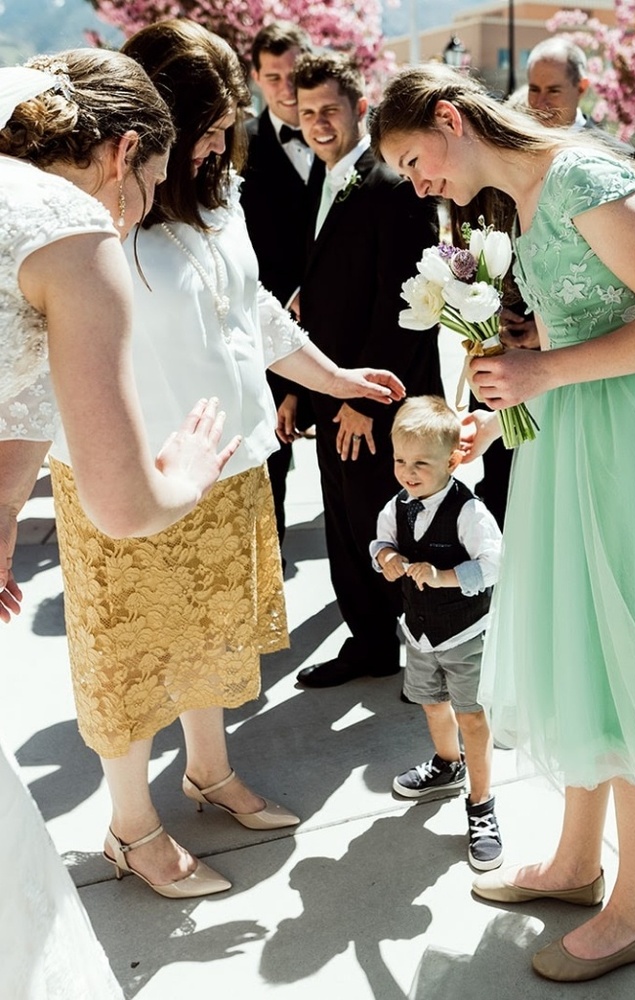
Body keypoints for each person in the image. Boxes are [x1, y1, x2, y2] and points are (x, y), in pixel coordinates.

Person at [371, 64, 635, 983]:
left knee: (628, 652)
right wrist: (517, 379)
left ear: (449, 119)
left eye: (412, 159)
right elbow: (581, 322)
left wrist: (546, 374)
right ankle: (575, 865)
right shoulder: (521, 200)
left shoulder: (582, 177)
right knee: (591, 655)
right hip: (576, 439)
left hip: (629, 449)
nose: (417, 182)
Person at [46, 19, 405, 901]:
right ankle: (132, 825)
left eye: (221, 132)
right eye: (204, 131)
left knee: (212, 637)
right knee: (129, 655)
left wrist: (338, 377)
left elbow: (256, 318)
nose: (215, 148)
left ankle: (208, 771)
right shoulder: (90, 218)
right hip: (125, 471)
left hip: (230, 463)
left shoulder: (220, 193)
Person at [0, 51, 240, 999]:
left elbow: (17, 400)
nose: (142, 205)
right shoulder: (72, 228)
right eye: (150, 181)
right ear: (125, 153)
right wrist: (177, 477)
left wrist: (5, 516)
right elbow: (122, 506)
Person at [291, 52, 443, 689]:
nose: (318, 123)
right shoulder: (318, 181)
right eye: (305, 114)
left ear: (358, 108)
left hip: (380, 399)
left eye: (329, 109)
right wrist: (301, 393)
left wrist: (365, 400)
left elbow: (407, 303)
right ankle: (370, 646)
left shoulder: (389, 184)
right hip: (330, 393)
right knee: (347, 526)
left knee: (390, 527)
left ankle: (428, 661)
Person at [372, 396, 503, 870]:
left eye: (421, 463)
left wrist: (445, 576)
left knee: (472, 716)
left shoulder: (468, 511)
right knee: (432, 704)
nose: (408, 472)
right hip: (421, 634)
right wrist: (386, 559)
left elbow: (493, 563)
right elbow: (381, 541)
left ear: (452, 461)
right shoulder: (398, 507)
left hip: (464, 633)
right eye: (400, 461)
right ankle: (448, 764)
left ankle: (482, 802)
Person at [241, 21, 325, 551]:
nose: (286, 87)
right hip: (267, 321)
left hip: (341, 322)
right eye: (273, 77)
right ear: (255, 76)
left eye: (293, 73)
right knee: (271, 455)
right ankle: (266, 573)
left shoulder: (338, 137)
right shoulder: (239, 146)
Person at [526, 37, 634, 156]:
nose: (541, 103)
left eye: (553, 91)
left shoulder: (617, 156)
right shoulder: (515, 151)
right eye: (534, 90)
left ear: (581, 88)